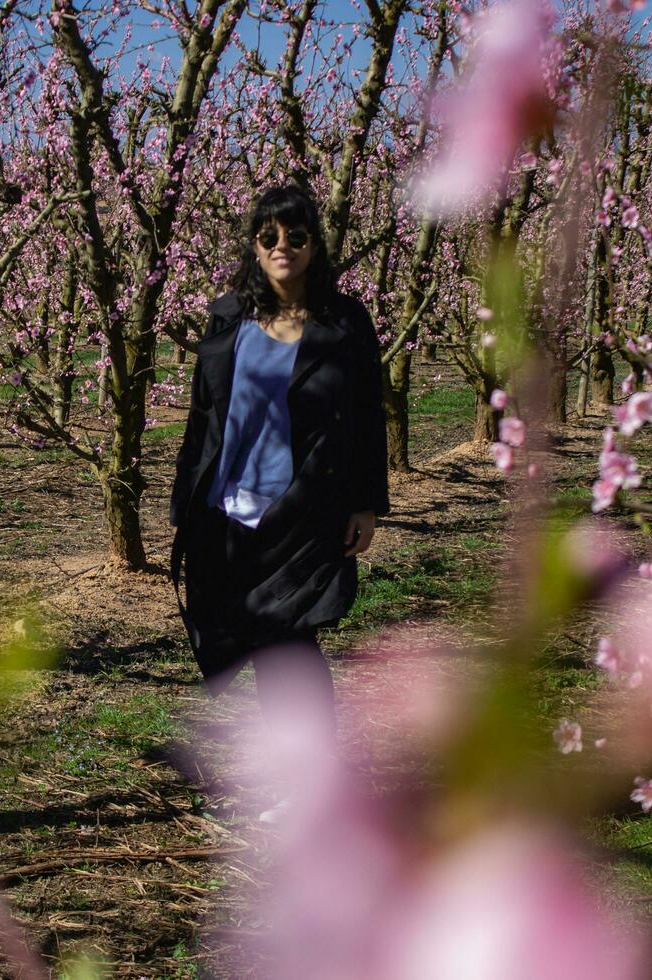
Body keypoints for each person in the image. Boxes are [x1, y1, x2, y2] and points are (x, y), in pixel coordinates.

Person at [169, 185, 390, 816]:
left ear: (316, 245)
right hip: (228, 508)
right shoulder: (229, 317)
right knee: (256, 642)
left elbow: (371, 416)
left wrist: (366, 502)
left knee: (291, 645)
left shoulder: (344, 324)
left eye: (296, 236)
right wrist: (185, 498)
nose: (282, 247)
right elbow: (202, 415)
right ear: (255, 246)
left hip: (304, 509)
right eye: (269, 237)